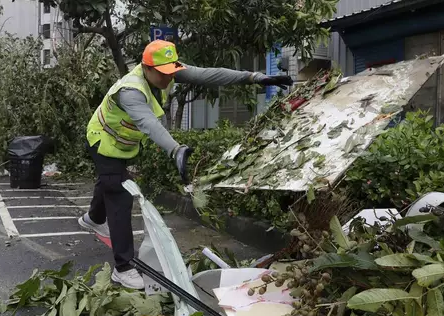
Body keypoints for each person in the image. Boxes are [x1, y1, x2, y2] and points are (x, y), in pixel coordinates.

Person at [78, 40, 293, 289]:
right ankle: (123, 268)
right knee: (119, 193)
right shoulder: (130, 91)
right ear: (146, 67)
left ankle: (94, 218)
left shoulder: (166, 71)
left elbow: (209, 75)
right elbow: (149, 124)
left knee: (109, 181)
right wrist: (176, 149)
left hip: (123, 143)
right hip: (103, 139)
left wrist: (254, 77)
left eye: (171, 72)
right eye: (162, 74)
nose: (168, 79)